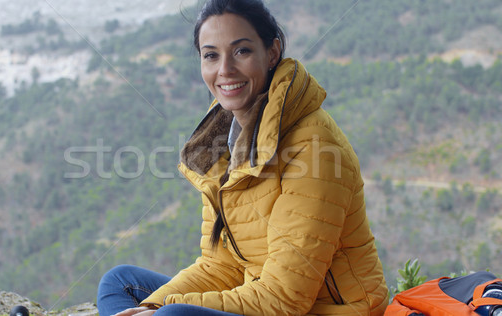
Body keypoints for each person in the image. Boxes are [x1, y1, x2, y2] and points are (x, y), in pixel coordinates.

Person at [97, 0, 388, 315]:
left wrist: (165, 307)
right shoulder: (222, 138)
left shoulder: (314, 147)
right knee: (120, 282)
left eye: (241, 51)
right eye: (211, 55)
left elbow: (285, 299)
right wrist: (151, 304)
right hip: (261, 294)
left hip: (327, 309)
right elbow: (222, 265)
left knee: (172, 314)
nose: (225, 70)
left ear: (272, 52)